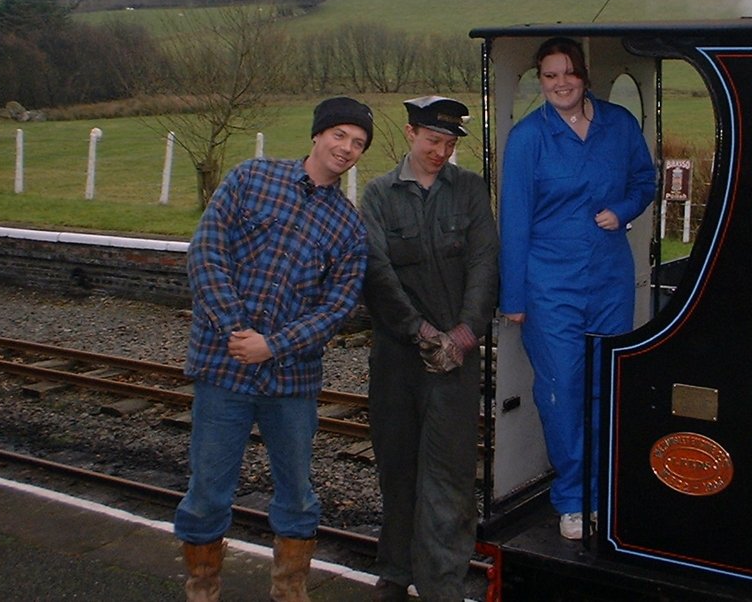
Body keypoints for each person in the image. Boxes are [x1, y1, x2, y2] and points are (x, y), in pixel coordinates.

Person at [174, 96, 374, 602]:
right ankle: (202, 589)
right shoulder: (250, 178)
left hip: (291, 382)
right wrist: (237, 331)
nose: (347, 148)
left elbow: (336, 309)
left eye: (358, 143)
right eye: (340, 136)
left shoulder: (350, 227)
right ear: (317, 135)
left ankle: (289, 590)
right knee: (206, 493)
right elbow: (207, 251)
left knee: (298, 494)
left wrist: (274, 345)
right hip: (224, 369)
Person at [499, 36, 656, 540]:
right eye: (549, 75)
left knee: (604, 384)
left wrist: (625, 211)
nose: (560, 83)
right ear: (540, 81)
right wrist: (515, 299)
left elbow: (644, 182)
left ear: (583, 75)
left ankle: (603, 486)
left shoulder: (619, 125)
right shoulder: (528, 139)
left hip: (609, 278)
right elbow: (515, 222)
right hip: (550, 285)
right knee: (562, 389)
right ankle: (572, 497)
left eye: (568, 72)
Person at [360, 96, 499, 602]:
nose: (440, 151)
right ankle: (396, 571)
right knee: (397, 468)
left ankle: (442, 583)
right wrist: (419, 332)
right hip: (398, 357)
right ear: (411, 133)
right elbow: (375, 273)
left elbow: (485, 264)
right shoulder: (378, 195)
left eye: (448, 143)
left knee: (449, 471)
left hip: (455, 361)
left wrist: (464, 335)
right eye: (431, 140)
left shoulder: (469, 192)